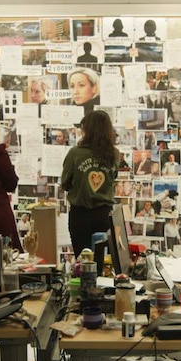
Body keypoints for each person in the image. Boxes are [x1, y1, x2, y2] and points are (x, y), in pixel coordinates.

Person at [61, 110, 119, 257]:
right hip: (104, 215)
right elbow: (113, 178)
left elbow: (65, 183)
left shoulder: (75, 153)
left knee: (83, 263)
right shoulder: (114, 154)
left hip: (80, 216)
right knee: (104, 262)